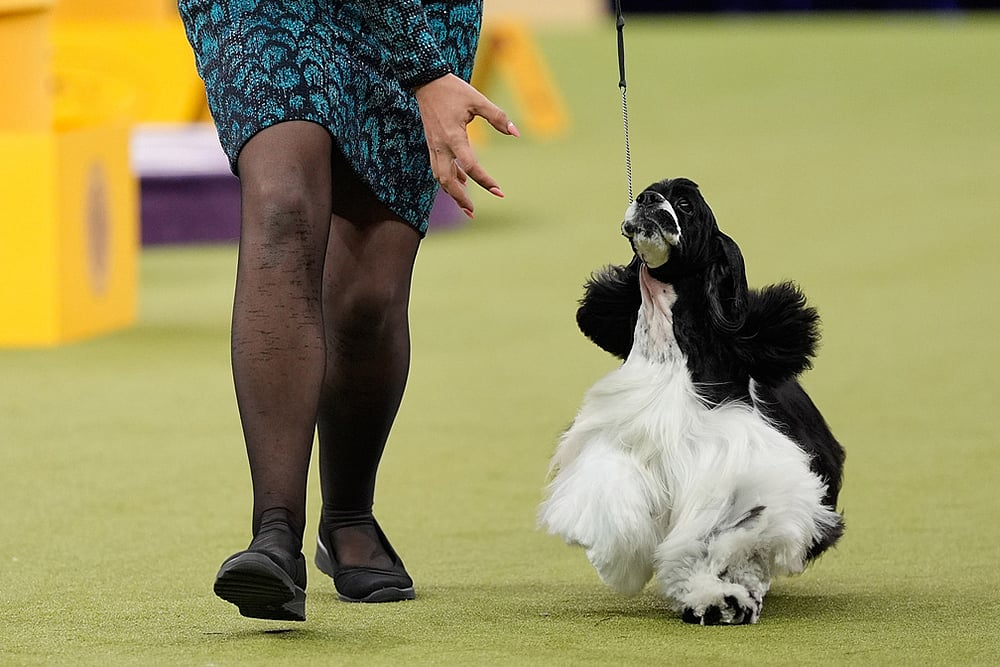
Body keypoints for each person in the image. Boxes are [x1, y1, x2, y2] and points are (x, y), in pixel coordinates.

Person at [177, 0, 518, 621]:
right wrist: (423, 70)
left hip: (417, 12)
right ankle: (274, 533)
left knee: (368, 299)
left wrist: (421, 61)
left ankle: (348, 515)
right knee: (281, 208)